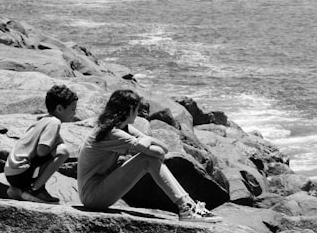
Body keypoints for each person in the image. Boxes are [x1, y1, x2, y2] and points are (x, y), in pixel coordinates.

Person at [77, 89, 221, 222]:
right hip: (92, 195)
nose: (138, 112)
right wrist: (148, 141)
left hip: (98, 189)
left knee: (149, 157)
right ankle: (186, 207)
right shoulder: (112, 133)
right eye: (136, 108)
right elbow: (158, 152)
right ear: (128, 110)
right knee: (147, 159)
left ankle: (187, 205)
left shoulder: (122, 128)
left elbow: (164, 150)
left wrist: (149, 140)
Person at [4, 85, 79, 204]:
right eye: (73, 109)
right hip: (22, 173)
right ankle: (35, 189)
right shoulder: (54, 122)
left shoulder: (41, 120)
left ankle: (17, 190)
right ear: (59, 109)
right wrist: (57, 144)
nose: (75, 113)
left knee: (58, 148)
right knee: (63, 151)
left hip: (11, 173)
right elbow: (42, 151)